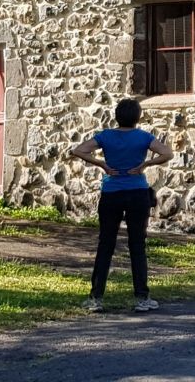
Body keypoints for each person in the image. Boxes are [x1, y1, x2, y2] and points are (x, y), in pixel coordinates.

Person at [69, 99, 174, 312]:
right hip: (137, 192)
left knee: (105, 244)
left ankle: (96, 297)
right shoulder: (143, 137)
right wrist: (146, 164)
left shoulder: (106, 136)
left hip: (111, 193)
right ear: (138, 117)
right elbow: (167, 153)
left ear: (116, 116)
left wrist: (102, 164)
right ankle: (142, 298)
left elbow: (78, 150)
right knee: (137, 245)